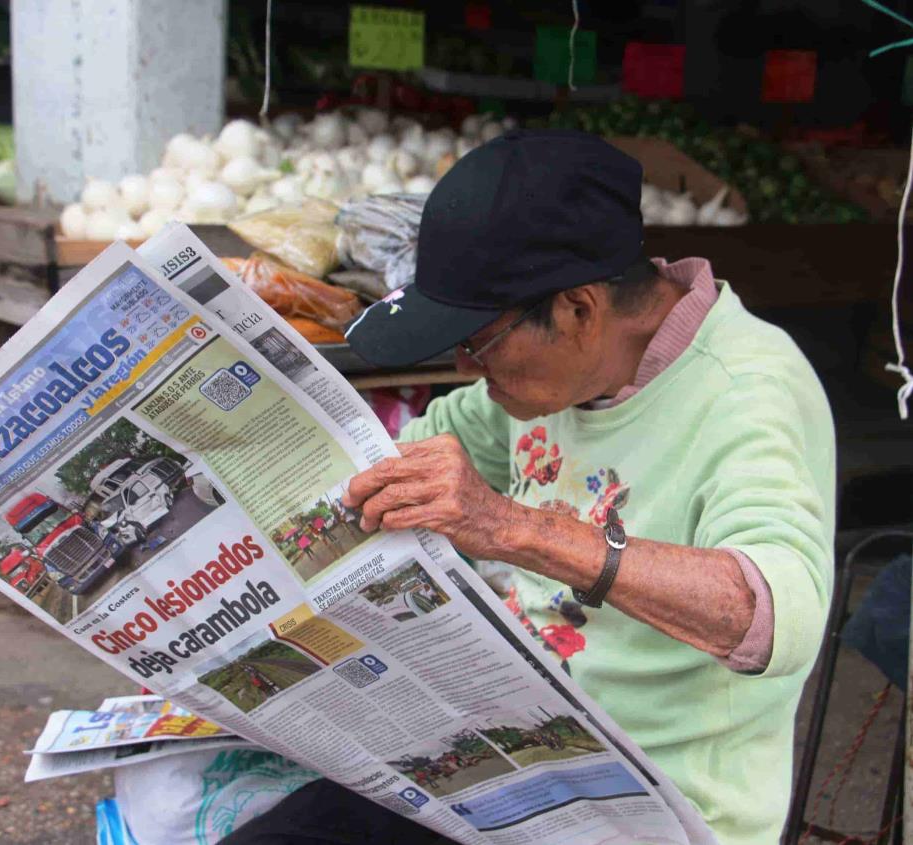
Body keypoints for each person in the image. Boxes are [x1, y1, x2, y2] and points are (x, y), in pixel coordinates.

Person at [220, 130, 834, 845]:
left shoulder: (748, 391)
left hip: (653, 806)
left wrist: (514, 527)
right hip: (502, 757)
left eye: (477, 342)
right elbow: (405, 455)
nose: (463, 365)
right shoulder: (554, 375)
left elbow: (771, 615)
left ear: (578, 311)